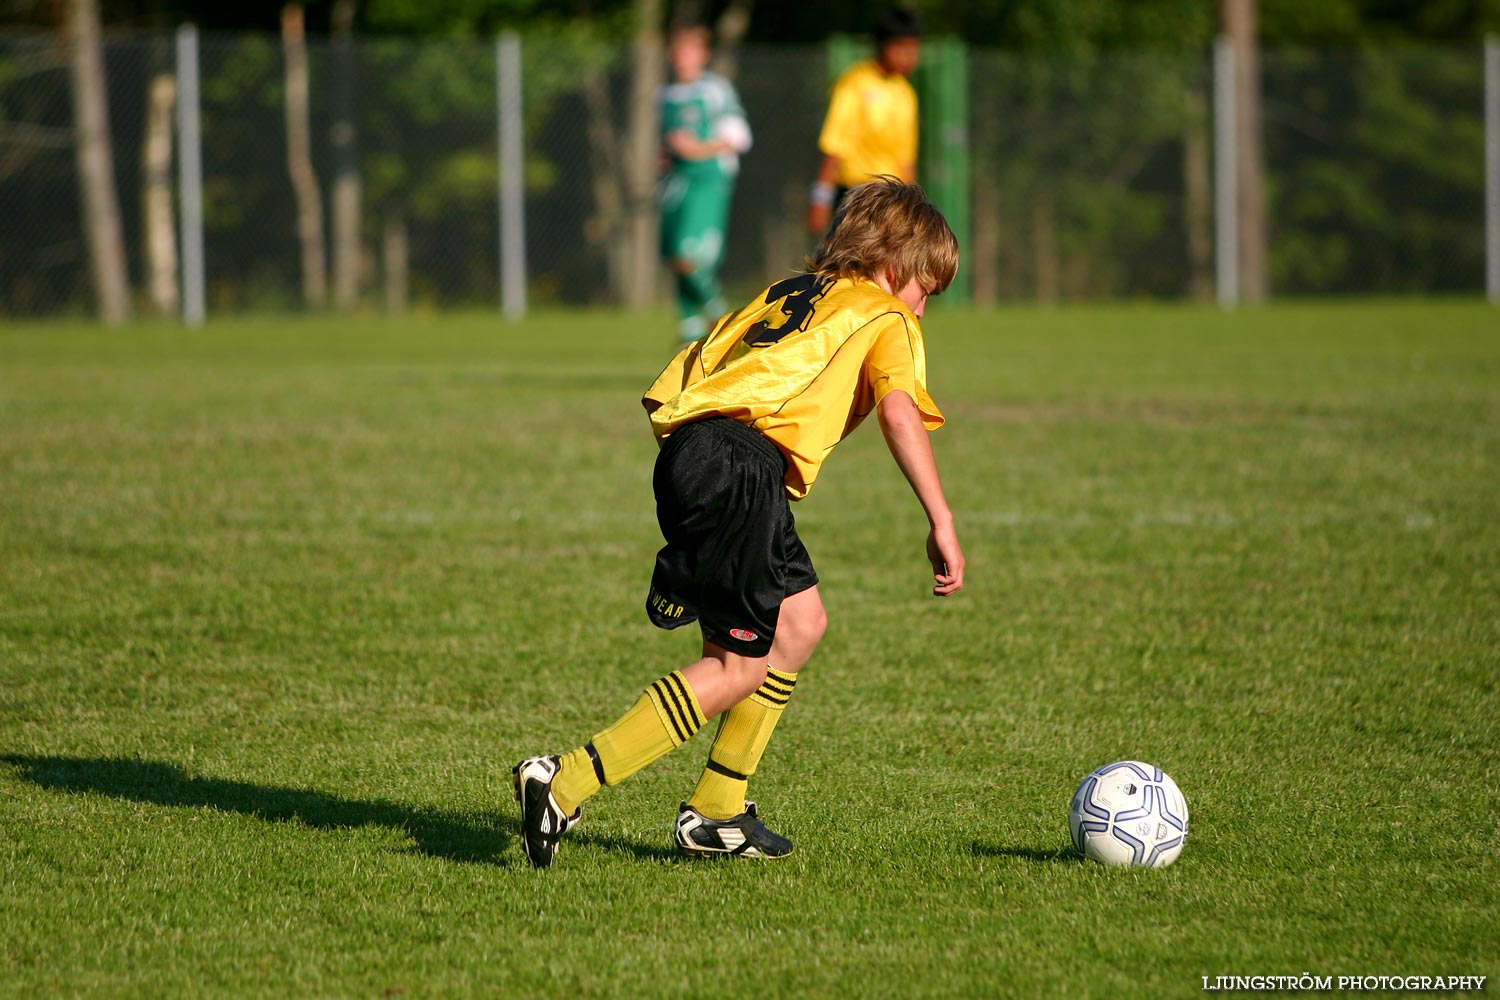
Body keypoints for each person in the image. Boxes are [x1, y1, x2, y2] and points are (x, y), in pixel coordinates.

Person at [513, 177, 965, 869]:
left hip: (695, 455)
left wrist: (694, 507)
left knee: (801, 622)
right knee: (734, 666)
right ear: (893, 268)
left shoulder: (787, 293)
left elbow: (680, 381)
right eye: (925, 290)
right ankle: (566, 780)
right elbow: (902, 413)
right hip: (743, 470)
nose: (923, 310)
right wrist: (941, 518)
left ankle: (717, 809)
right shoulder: (885, 314)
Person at [659, 20, 753, 344]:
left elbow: (740, 137)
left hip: (708, 183)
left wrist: (696, 149)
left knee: (690, 256)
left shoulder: (714, 90)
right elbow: (671, 144)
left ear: (703, 54)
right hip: (676, 184)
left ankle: (721, 317)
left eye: (690, 49)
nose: (683, 57)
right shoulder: (667, 95)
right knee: (674, 257)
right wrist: (667, 155)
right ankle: (690, 335)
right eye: (678, 49)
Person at [806, 7, 922, 235]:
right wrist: (820, 197)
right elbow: (834, 146)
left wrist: (913, 205)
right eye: (904, 49)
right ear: (885, 45)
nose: (911, 58)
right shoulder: (854, 84)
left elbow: (905, 158)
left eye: (914, 50)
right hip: (856, 197)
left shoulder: (905, 93)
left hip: (892, 199)